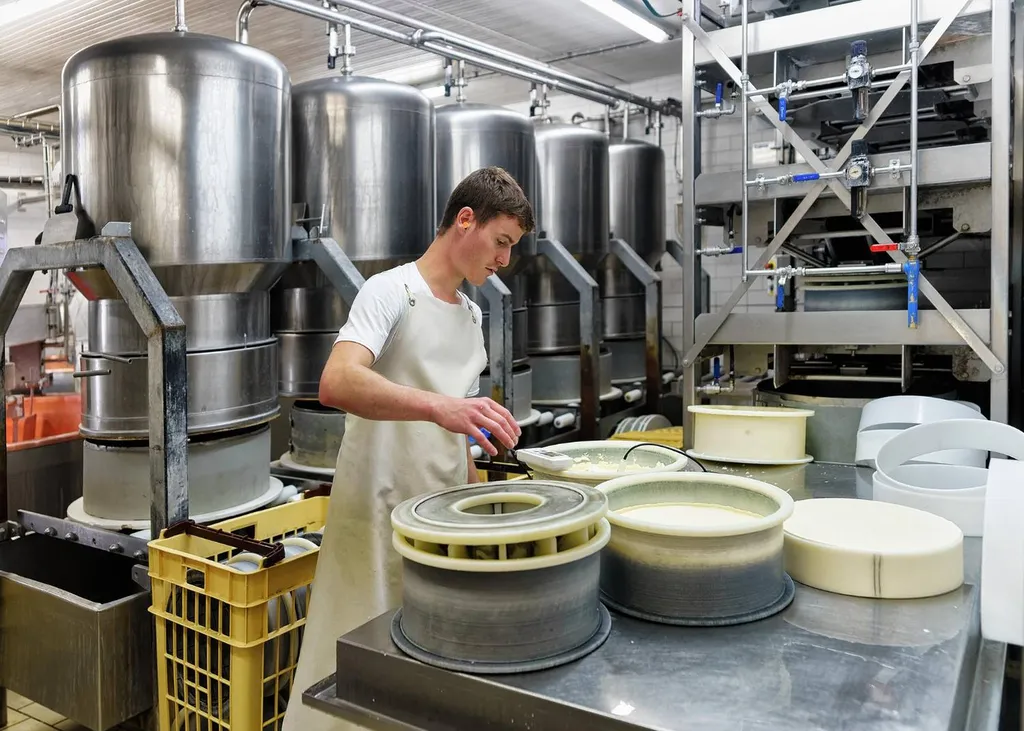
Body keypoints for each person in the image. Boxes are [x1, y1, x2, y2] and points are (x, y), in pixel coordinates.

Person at [283, 166, 534, 730]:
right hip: (372, 515)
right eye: (501, 242)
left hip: (437, 525)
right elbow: (338, 382)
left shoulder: (472, 317)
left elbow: (452, 434)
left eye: (511, 248)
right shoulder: (391, 291)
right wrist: (441, 406)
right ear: (465, 220)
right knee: (351, 661)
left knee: (419, 677)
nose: (504, 261)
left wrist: (491, 508)